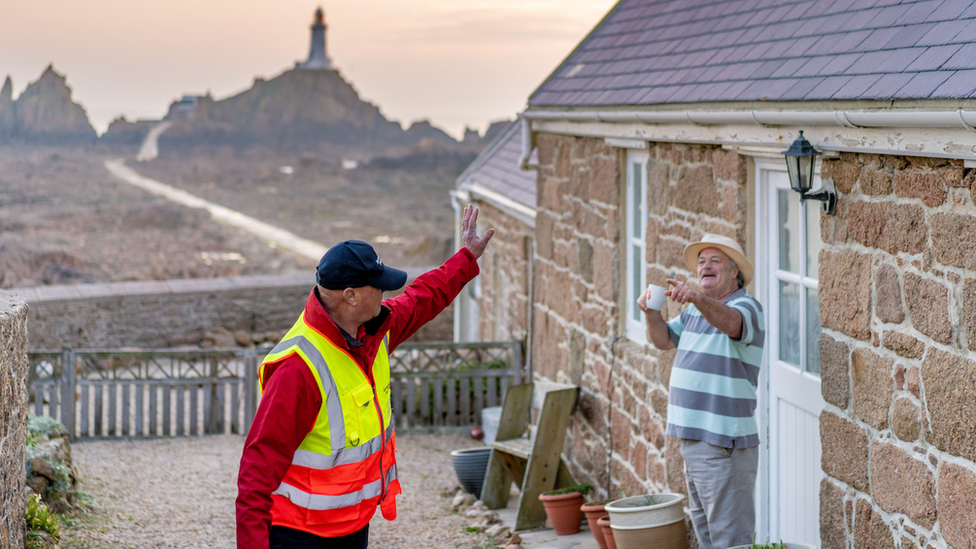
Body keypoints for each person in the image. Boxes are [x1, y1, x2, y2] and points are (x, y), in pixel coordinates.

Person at [237, 205, 494, 549]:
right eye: (378, 285)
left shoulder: (373, 330)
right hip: (301, 536)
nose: (386, 292)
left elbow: (422, 299)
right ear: (351, 295)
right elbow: (255, 474)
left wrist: (466, 257)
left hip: (353, 526)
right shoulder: (298, 368)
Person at [637, 234, 765, 549]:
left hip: (724, 442)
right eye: (701, 262)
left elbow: (732, 324)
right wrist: (652, 312)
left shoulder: (746, 306)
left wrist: (695, 297)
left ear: (735, 272)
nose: (705, 266)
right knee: (708, 536)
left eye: (715, 261)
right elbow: (665, 340)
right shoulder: (694, 312)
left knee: (731, 540)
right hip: (694, 440)